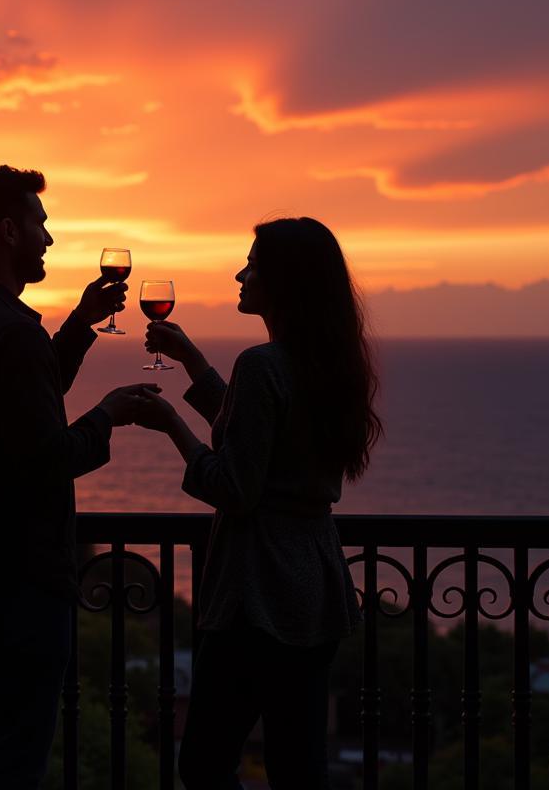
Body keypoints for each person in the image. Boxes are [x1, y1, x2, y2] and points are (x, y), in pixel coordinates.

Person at [0, 164, 157, 790]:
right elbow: (47, 456)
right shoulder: (9, 330)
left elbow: (21, 409)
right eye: (40, 224)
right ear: (8, 231)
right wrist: (109, 415)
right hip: (19, 578)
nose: (49, 238)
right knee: (16, 757)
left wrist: (80, 324)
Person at [135, 217, 382, 789]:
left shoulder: (263, 364)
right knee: (298, 767)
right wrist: (194, 360)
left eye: (253, 263)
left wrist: (172, 424)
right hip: (314, 585)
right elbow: (257, 437)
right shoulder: (327, 361)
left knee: (203, 764)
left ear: (285, 280)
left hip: (256, 594)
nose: (240, 274)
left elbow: (236, 488)